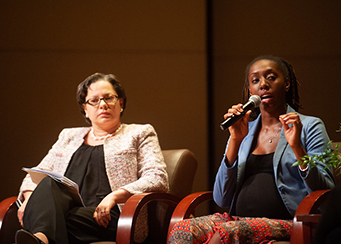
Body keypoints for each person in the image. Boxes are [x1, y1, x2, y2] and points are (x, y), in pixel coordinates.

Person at [168, 55, 334, 243]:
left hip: (288, 221)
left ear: (286, 84)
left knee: (227, 233)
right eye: (255, 80)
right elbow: (221, 199)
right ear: (249, 91)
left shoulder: (310, 126)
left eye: (271, 77)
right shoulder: (244, 130)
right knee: (183, 229)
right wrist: (235, 140)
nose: (263, 84)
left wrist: (296, 147)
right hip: (238, 220)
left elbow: (325, 190)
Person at [15, 73, 169, 244]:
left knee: (46, 220)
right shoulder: (68, 136)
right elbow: (35, 175)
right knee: (48, 185)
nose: (103, 105)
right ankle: (41, 239)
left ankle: (40, 237)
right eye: (94, 101)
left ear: (121, 103)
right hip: (66, 210)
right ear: (85, 109)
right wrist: (29, 201)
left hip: (111, 216)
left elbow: (157, 178)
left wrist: (113, 197)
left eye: (109, 98)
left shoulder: (139, 133)